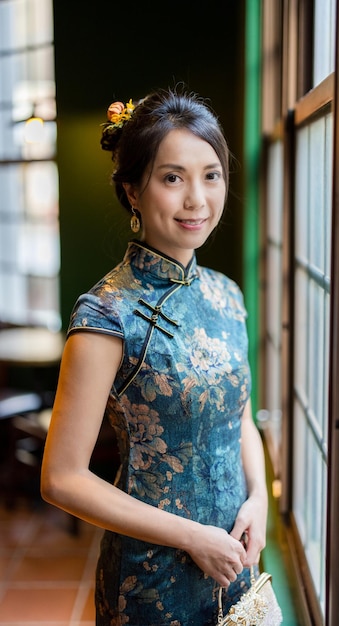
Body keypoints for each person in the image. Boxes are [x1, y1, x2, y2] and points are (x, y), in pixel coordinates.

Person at [41, 88, 268, 625]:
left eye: (211, 175)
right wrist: (193, 538)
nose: (197, 199)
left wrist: (258, 499)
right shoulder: (106, 313)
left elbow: (239, 417)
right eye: (173, 177)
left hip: (235, 563)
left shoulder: (226, 294)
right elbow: (61, 478)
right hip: (151, 582)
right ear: (133, 191)